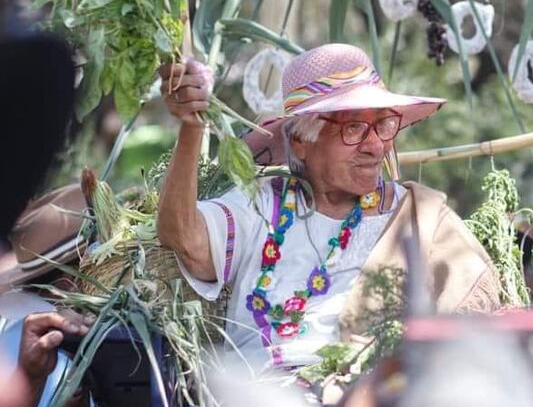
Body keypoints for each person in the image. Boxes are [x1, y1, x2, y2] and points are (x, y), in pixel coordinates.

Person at [157, 43, 501, 370]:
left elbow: (471, 319)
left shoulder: (419, 218)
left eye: (383, 125)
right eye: (353, 128)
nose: (374, 146)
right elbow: (183, 238)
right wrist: (192, 127)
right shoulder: (263, 204)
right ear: (300, 141)